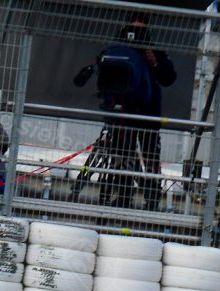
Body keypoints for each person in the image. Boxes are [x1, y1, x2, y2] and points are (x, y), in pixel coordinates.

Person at [74, 13, 176, 210]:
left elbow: (169, 78)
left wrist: (154, 63)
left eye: (140, 30)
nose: (135, 34)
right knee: (121, 155)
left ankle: (153, 199)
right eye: (133, 28)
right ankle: (122, 196)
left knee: (150, 156)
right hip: (121, 114)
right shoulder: (115, 51)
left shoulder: (154, 52)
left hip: (148, 113)